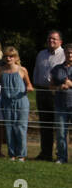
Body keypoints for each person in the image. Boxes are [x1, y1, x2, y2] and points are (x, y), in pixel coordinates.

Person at [0, 45, 35, 160]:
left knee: (21, 128)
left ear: (16, 58)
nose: (8, 59)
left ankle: (21, 155)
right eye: (6, 56)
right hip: (6, 102)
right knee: (9, 128)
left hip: (21, 102)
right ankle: (12, 154)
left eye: (11, 56)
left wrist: (29, 88)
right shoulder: (0, 70)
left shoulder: (22, 70)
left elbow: (29, 85)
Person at [32, 31, 65, 162]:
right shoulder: (41, 54)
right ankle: (45, 153)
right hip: (41, 91)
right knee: (45, 124)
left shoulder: (65, 55)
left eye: (54, 39)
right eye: (49, 38)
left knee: (59, 125)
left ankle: (61, 155)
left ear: (60, 42)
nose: (51, 41)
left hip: (57, 93)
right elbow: (36, 70)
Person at [49, 56, 71, 164]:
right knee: (61, 132)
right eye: (68, 53)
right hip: (60, 105)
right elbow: (51, 86)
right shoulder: (57, 69)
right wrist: (59, 87)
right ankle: (62, 157)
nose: (70, 55)